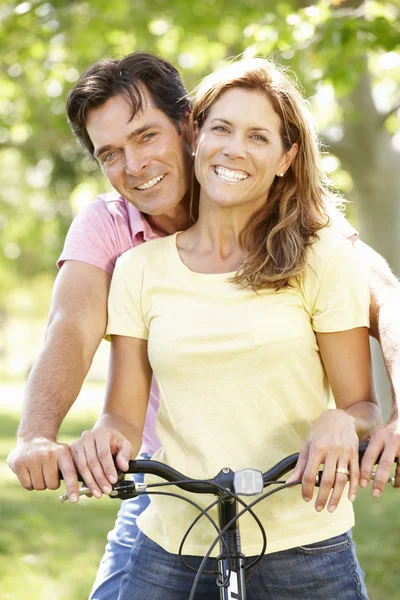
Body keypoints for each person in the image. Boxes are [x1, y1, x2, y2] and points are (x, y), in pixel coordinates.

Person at [6, 51, 400, 599]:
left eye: (146, 137)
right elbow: (70, 329)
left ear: (187, 126)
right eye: (111, 153)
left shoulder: (299, 229)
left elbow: (384, 296)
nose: (135, 164)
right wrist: (36, 436)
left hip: (290, 503)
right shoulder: (121, 242)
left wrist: (380, 421)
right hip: (166, 486)